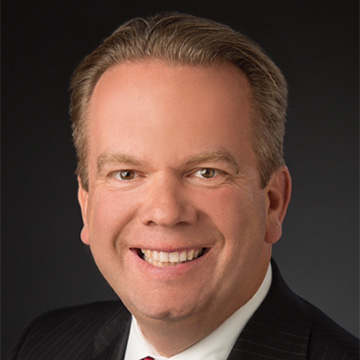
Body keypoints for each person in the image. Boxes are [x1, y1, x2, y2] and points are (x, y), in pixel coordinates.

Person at [7, 12, 358, 360]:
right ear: (86, 203)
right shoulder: (43, 344)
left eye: (206, 172)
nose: (165, 213)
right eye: (127, 174)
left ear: (273, 203)